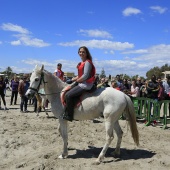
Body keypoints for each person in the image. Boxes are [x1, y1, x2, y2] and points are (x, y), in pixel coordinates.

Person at [62, 46, 96, 121]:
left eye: (83, 52)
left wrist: (76, 81)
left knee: (68, 95)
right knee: (66, 91)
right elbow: (79, 76)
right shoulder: (81, 63)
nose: (81, 53)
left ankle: (70, 115)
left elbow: (85, 75)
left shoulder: (87, 63)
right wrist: (71, 80)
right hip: (81, 83)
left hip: (86, 84)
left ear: (86, 53)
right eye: (80, 52)